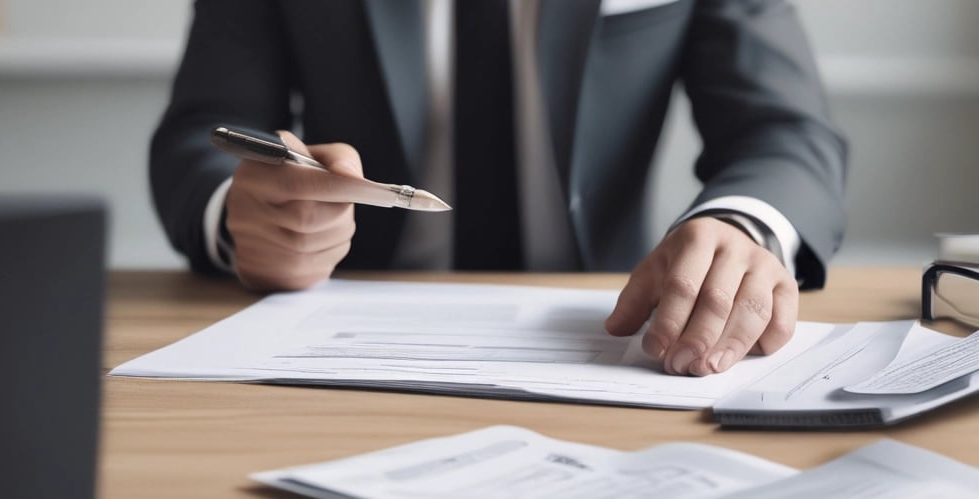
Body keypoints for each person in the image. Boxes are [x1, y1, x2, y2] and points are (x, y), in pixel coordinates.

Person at [150, 0, 847, 377]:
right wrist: (241, 217)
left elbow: (786, 132)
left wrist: (740, 224)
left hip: (612, 337)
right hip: (338, 345)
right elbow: (201, 132)